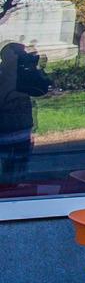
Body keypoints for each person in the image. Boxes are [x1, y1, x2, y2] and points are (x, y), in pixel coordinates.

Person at [0, 42, 52, 188]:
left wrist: (36, 68)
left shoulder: (25, 74)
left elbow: (42, 89)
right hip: (5, 134)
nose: (23, 57)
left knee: (17, 175)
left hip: (22, 133)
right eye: (19, 54)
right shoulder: (4, 75)